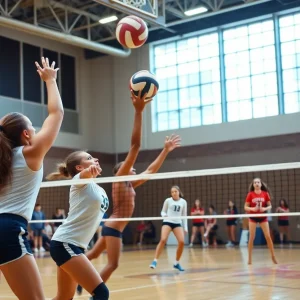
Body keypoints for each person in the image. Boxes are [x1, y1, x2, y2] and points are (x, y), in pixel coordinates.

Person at [77, 96, 181, 294]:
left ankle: (78, 279)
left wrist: (165, 151)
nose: (134, 170)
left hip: (111, 227)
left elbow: (150, 171)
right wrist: (139, 111)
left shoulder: (129, 184)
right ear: (121, 170)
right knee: (113, 264)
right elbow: (135, 146)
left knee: (91, 254)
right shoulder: (120, 178)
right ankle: (94, 292)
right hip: (114, 228)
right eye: (131, 168)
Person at [0, 57, 63, 300]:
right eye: (34, 130)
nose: (37, 133)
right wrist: (51, 80)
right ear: (26, 135)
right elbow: (56, 114)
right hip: (8, 230)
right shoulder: (30, 153)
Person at [47, 151, 110, 300]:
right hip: (65, 243)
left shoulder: (98, 189)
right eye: (89, 158)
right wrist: (89, 171)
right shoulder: (78, 181)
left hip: (75, 246)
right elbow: (84, 175)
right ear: (80, 167)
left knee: (63, 298)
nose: (95, 159)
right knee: (102, 293)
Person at [150, 185, 187, 271]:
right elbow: (163, 211)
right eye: (172, 192)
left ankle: (176, 263)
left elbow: (184, 215)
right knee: (163, 239)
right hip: (168, 222)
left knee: (181, 242)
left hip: (177, 223)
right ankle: (155, 261)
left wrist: (185, 228)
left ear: (179, 192)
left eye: (175, 191)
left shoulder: (183, 202)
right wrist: (164, 215)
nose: (174, 193)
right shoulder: (168, 201)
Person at [244, 177, 277, 265]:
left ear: (261, 184)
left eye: (258, 182)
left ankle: (273, 256)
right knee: (251, 237)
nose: (257, 184)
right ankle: (249, 258)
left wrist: (264, 208)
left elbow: (270, 206)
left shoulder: (265, 194)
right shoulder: (250, 194)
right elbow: (245, 207)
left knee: (268, 236)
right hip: (253, 217)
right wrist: (253, 209)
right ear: (253, 185)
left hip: (263, 217)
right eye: (255, 182)